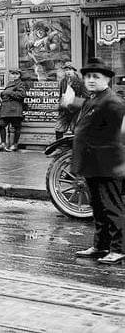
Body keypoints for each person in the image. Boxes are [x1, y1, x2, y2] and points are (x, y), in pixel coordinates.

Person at [71, 59, 125, 265]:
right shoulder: (93, 99)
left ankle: (118, 249)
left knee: (112, 207)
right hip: (93, 164)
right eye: (88, 76)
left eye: (96, 76)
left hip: (108, 164)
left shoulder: (113, 102)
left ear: (108, 80)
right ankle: (101, 245)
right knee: (99, 207)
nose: (91, 80)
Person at [0, 69, 28, 152]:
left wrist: (9, 93)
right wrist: (4, 94)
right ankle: (3, 143)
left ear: (19, 75)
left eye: (16, 74)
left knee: (16, 126)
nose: (14, 75)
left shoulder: (21, 84)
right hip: (6, 108)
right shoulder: (9, 83)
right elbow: (5, 93)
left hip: (15, 108)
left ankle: (14, 144)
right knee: (1, 124)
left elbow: (22, 95)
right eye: (13, 74)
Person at [56, 61, 87, 140]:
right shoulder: (63, 81)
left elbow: (86, 96)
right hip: (64, 109)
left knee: (75, 129)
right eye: (66, 70)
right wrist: (60, 104)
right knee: (59, 128)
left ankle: (75, 149)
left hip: (75, 109)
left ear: (73, 70)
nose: (68, 72)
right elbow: (61, 94)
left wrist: (76, 105)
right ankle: (59, 147)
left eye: (70, 70)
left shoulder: (80, 82)